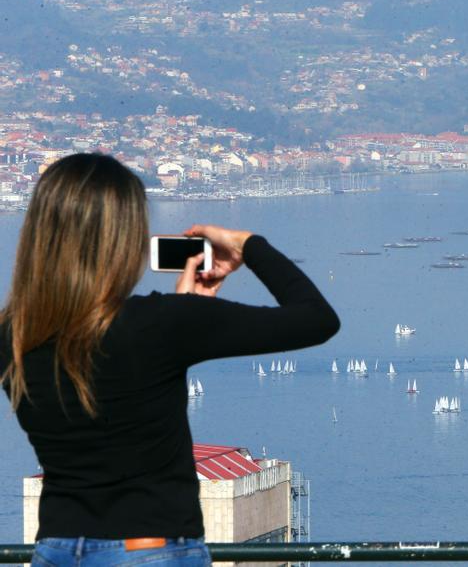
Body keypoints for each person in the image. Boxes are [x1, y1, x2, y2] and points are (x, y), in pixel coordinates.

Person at [0, 153, 340, 566]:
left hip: (56, 551)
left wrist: (183, 311)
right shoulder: (163, 325)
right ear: (123, 239)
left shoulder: (13, 334)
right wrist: (250, 245)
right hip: (151, 550)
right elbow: (317, 319)